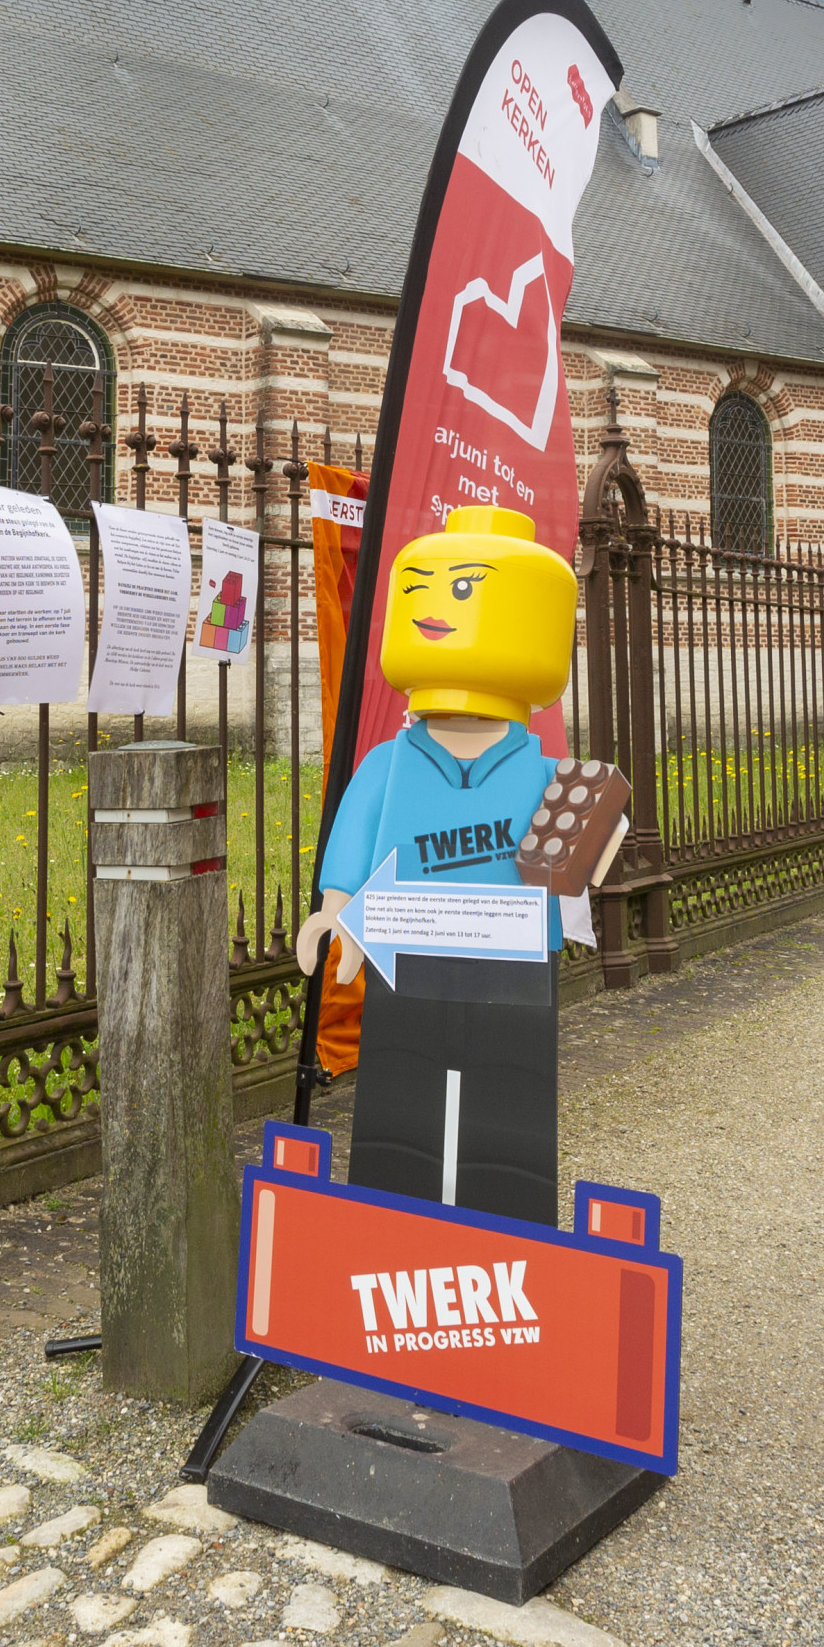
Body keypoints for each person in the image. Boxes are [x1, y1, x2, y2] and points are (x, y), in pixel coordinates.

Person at [291, 506, 579, 1225]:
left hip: (513, 969)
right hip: (406, 957)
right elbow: (355, 841)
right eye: (420, 589)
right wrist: (336, 912)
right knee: (399, 1098)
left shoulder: (545, 771)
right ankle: (391, 1227)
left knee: (509, 1105)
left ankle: (508, 1231)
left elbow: (577, 861)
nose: (432, 610)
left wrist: (590, 844)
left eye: (460, 592)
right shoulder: (391, 763)